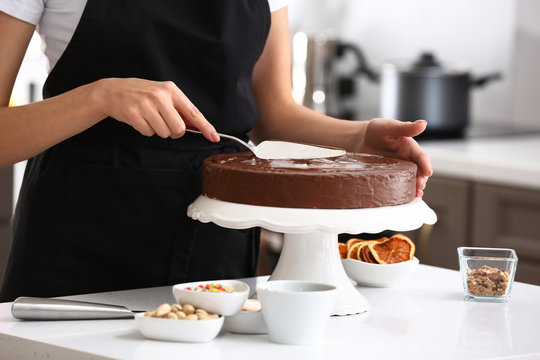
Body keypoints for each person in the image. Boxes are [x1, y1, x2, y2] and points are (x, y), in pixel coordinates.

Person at [0, 0, 432, 302]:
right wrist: (98, 97)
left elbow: (275, 113)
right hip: (78, 248)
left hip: (216, 248)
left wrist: (358, 139)